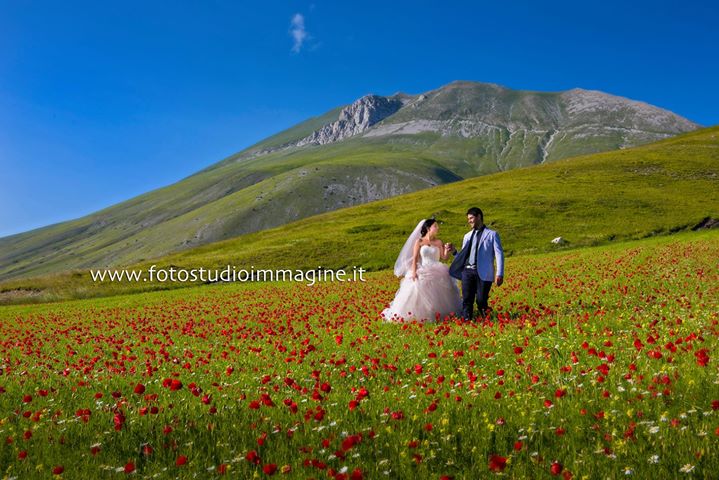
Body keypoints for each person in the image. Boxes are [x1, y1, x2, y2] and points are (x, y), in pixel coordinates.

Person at [381, 219, 462, 322]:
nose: (438, 228)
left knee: (439, 294)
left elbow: (444, 257)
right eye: (435, 226)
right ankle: (423, 315)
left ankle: (440, 314)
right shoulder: (419, 241)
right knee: (418, 293)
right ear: (428, 228)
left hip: (438, 270)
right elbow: (415, 258)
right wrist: (414, 272)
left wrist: (447, 249)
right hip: (423, 269)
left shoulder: (438, 242)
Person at [449, 207, 504, 320]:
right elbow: (464, 255)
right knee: (467, 299)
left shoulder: (492, 235)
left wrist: (500, 274)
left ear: (479, 217)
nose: (469, 221)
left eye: (471, 218)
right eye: (468, 219)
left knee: (481, 300)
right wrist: (454, 252)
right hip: (467, 271)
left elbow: (499, 255)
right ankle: (466, 321)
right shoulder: (467, 236)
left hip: (483, 273)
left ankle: (486, 318)